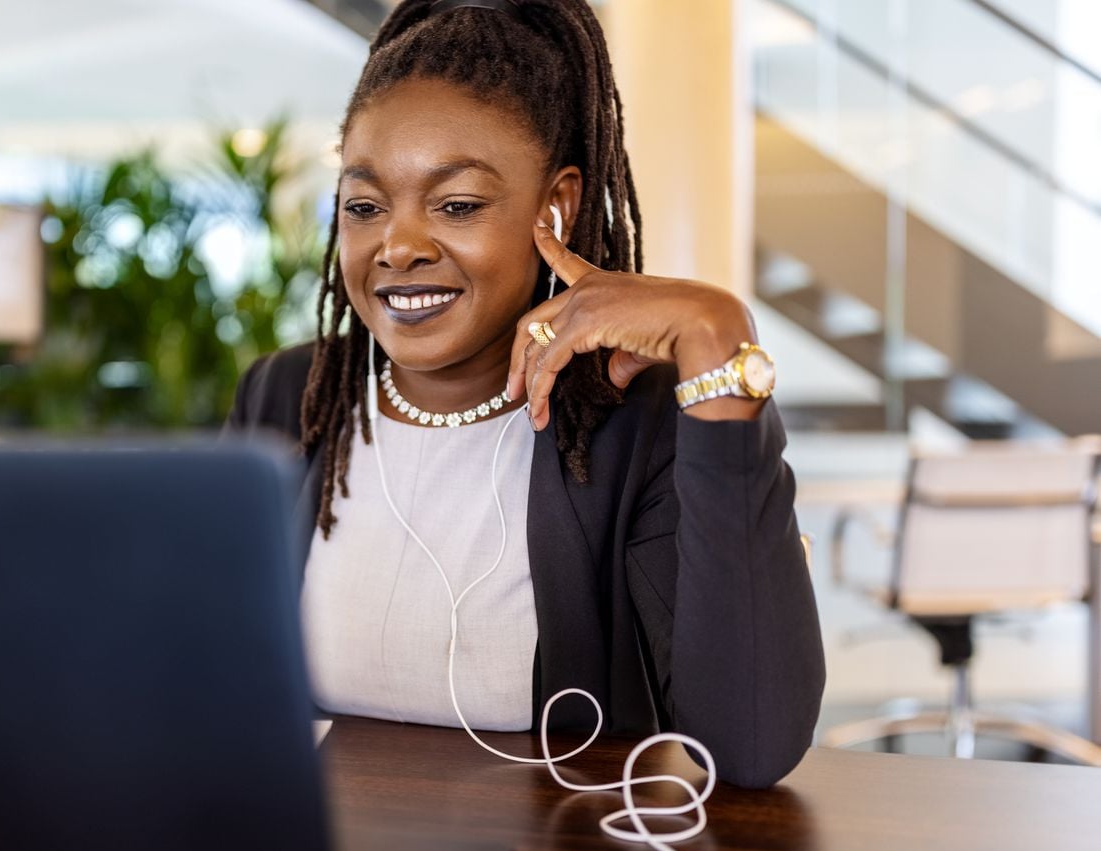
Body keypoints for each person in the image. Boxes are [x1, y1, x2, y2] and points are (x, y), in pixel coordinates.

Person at [227, 0, 824, 788]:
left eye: (458, 205)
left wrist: (717, 343)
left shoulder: (633, 423)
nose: (398, 246)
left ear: (557, 207)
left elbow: (748, 745)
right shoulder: (289, 398)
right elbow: (210, 688)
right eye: (364, 206)